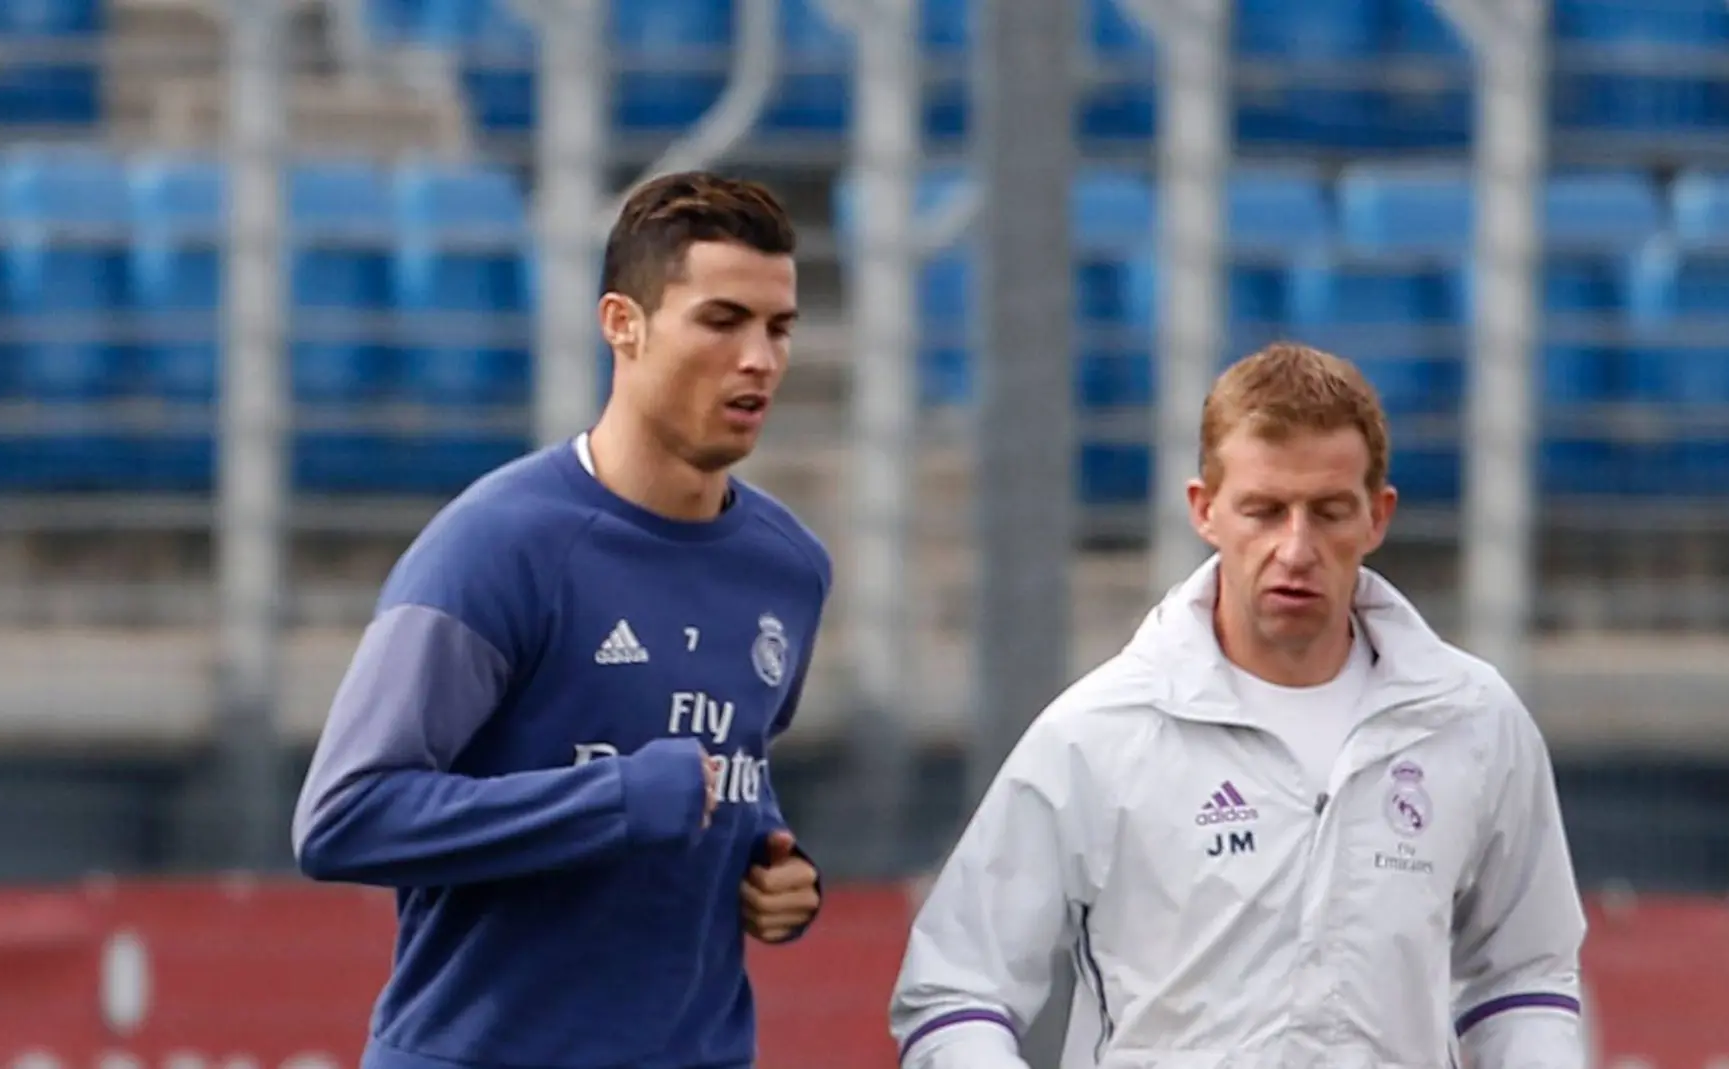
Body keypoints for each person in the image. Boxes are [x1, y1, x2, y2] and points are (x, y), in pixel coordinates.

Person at [890, 342, 1586, 1069]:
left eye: (1328, 512)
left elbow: (1526, 974)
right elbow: (956, 986)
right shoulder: (1100, 732)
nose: (1295, 547)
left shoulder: (1471, 721)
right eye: (1263, 510)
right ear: (1205, 510)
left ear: (1377, 518)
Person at [291, 171, 830, 1069]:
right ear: (623, 323)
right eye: (722, 320)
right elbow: (343, 815)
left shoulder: (791, 567)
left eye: (778, 329)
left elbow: (720, 774)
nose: (760, 360)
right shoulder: (496, 545)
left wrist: (775, 877)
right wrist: (614, 798)